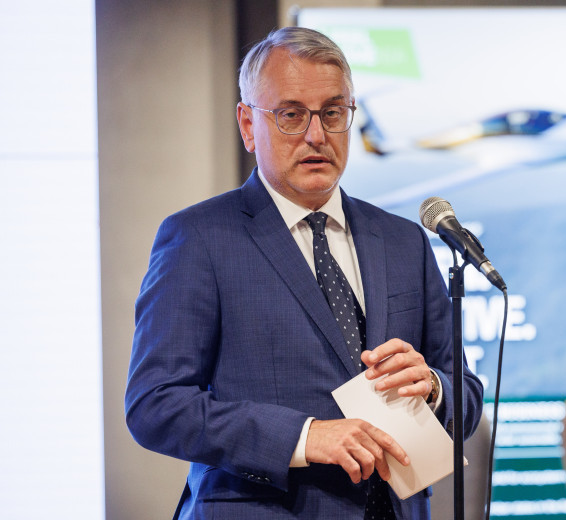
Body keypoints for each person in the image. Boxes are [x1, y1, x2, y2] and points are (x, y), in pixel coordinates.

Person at [125, 26, 483, 520]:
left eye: (333, 113)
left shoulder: (404, 241)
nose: (316, 135)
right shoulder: (199, 238)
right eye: (291, 115)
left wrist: (435, 387)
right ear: (248, 125)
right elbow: (155, 406)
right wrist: (303, 436)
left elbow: (465, 394)